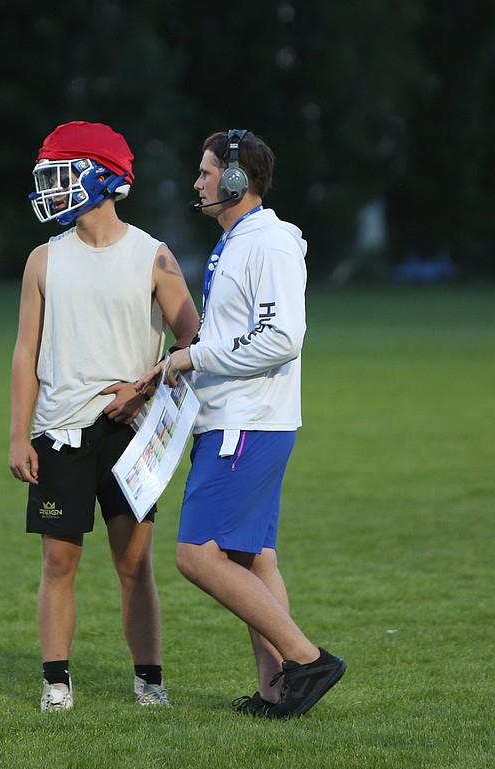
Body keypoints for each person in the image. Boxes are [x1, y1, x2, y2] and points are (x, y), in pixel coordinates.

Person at [137, 129, 344, 719]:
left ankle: (309, 661)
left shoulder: (268, 242)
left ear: (234, 180)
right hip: (237, 419)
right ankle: (279, 691)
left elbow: (281, 338)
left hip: (246, 422)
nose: (197, 183)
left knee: (197, 556)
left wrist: (191, 357)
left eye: (205, 173)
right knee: (253, 556)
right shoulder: (238, 241)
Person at [9, 121, 200, 711]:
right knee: (58, 560)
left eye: (62, 173)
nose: (52, 187)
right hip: (60, 429)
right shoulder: (43, 260)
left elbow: (195, 342)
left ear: (103, 179)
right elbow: (25, 353)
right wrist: (19, 434)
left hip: (131, 434)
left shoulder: (153, 256)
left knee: (134, 562)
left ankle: (149, 681)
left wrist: (145, 389)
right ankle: (57, 683)